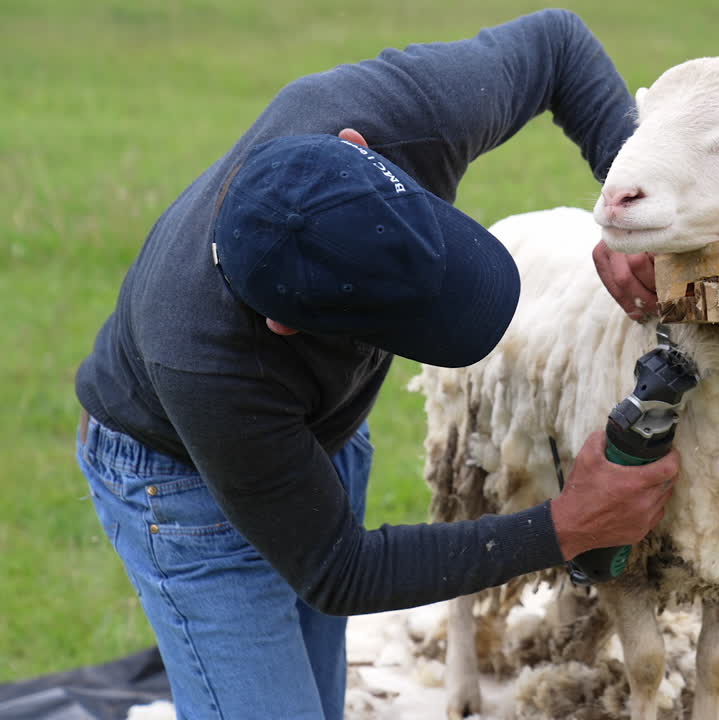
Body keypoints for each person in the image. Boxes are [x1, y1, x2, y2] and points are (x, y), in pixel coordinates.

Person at [74, 10, 678, 719]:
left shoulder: (392, 108)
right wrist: (568, 524)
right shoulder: (206, 363)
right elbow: (338, 567)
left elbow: (557, 46)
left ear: (362, 151)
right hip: (179, 484)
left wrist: (626, 206)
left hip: (318, 427)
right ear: (287, 324)